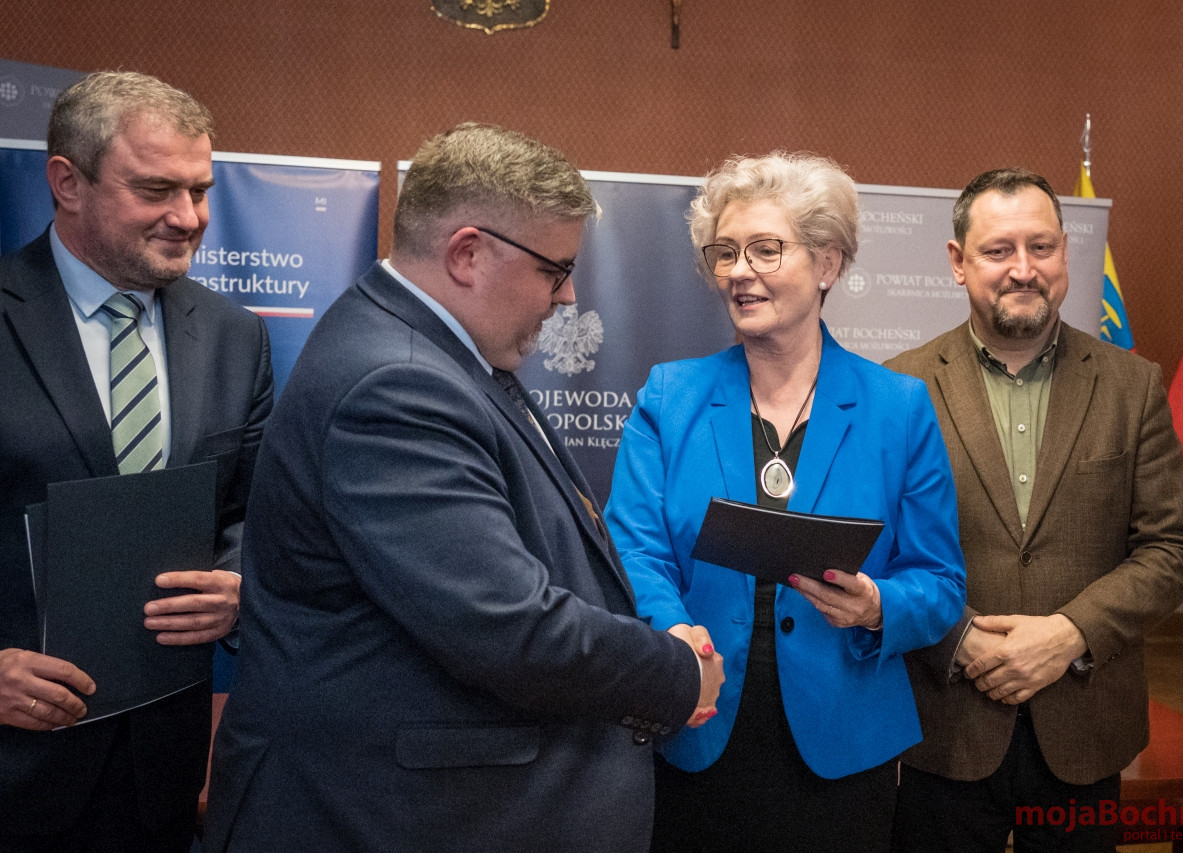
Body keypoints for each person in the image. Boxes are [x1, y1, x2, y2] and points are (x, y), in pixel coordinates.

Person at [202, 122, 724, 853]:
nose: (569, 295)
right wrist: (676, 674)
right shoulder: (398, 383)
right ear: (468, 253)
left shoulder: (442, 355)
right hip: (391, 817)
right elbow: (508, 627)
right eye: (555, 270)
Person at [604, 151, 967, 852]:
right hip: (696, 721)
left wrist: (879, 606)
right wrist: (675, 633)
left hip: (844, 739)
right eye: (725, 252)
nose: (739, 271)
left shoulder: (898, 408)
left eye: (765, 249)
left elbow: (941, 582)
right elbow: (634, 549)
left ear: (827, 263)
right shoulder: (669, 396)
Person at [885, 168, 1183, 852]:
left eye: (1042, 247)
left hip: (1086, 729)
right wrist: (960, 642)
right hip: (943, 729)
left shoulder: (1132, 386)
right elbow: (878, 554)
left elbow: (1174, 549)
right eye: (998, 250)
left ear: (1065, 253)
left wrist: (1069, 633)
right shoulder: (898, 388)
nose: (1023, 269)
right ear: (958, 262)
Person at [0, 72, 273, 852]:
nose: (188, 217)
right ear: (67, 183)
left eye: (200, 190)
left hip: (159, 777)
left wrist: (240, 584)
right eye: (156, 189)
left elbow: (256, 512)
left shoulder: (234, 336)